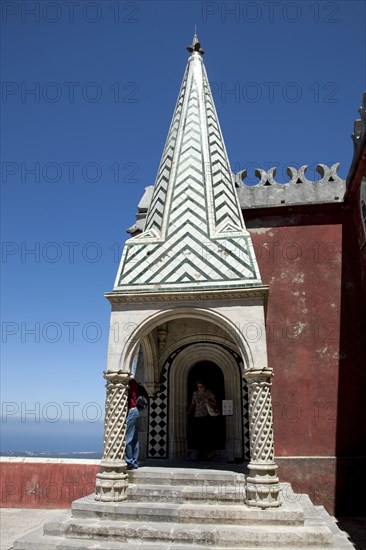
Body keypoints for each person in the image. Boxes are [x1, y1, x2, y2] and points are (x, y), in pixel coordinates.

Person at [187, 379, 219, 460]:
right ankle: (200, 453)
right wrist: (189, 411)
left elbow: (215, 403)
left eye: (201, 387)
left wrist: (208, 401)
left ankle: (207, 453)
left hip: (207, 416)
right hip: (197, 416)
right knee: (199, 435)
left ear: (204, 386)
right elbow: (193, 403)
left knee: (206, 435)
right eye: (198, 387)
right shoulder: (195, 393)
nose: (200, 388)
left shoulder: (209, 393)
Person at [125, 395, 148, 470]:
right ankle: (134, 462)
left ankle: (129, 462)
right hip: (136, 412)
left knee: (127, 439)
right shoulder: (136, 384)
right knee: (135, 440)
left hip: (132, 411)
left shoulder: (131, 383)